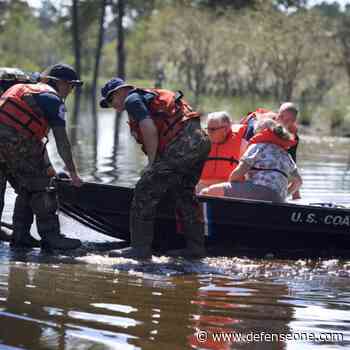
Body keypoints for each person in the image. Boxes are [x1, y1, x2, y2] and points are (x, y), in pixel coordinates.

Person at [99, 78, 211, 258]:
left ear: (120, 92)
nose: (112, 106)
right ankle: (195, 248)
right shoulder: (148, 96)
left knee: (144, 190)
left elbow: (148, 128)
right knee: (184, 193)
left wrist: (151, 164)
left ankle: (140, 249)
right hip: (201, 141)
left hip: (183, 143)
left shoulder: (131, 99)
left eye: (110, 100)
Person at [0, 63, 83, 250]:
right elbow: (62, 142)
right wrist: (74, 174)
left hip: (8, 145)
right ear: (57, 83)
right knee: (44, 186)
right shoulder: (51, 99)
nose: (71, 90)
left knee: (26, 187)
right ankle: (51, 237)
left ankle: (21, 237)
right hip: (15, 142)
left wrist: (46, 165)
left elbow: (33, 139)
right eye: (70, 85)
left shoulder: (22, 89)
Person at [201, 118, 302, 202]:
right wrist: (284, 195)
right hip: (278, 198)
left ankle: (200, 222)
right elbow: (298, 182)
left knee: (207, 192)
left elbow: (238, 173)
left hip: (257, 190)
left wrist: (232, 184)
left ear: (260, 132)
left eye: (255, 132)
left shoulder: (257, 147)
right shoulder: (286, 154)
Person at [197, 111, 247, 193]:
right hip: (203, 187)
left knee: (208, 191)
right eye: (208, 129)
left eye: (212, 129)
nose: (209, 133)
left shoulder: (242, 145)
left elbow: (249, 176)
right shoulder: (202, 145)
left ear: (226, 129)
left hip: (228, 188)